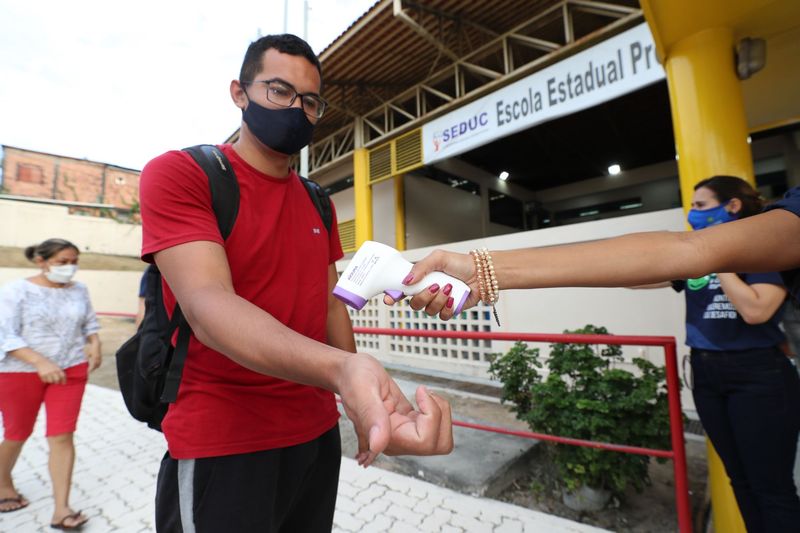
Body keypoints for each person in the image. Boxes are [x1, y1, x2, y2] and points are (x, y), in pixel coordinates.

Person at [139, 34, 452, 533]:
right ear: (239, 93)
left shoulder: (317, 200)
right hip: (224, 439)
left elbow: (330, 306)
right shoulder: (183, 174)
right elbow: (207, 304)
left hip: (314, 434)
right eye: (279, 91)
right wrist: (344, 374)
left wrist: (358, 401)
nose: (295, 109)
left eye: (309, 101)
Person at [394, 182, 800, 533]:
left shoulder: (760, 253)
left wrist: (716, 257)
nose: (693, 213)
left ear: (732, 206)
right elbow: (677, 254)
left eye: (700, 204)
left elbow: (744, 298)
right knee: (742, 482)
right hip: (710, 371)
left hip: (759, 372)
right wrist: (482, 268)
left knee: (772, 490)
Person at [0, 238, 101, 530]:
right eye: (61, 262)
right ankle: (3, 481)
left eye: (73, 262)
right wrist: (40, 362)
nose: (69, 268)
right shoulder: (16, 291)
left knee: (62, 435)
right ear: (41, 261)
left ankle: (61, 510)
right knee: (18, 432)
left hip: (70, 370)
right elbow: (5, 335)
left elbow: (90, 324)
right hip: (20, 371)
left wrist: (95, 344)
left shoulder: (79, 290)